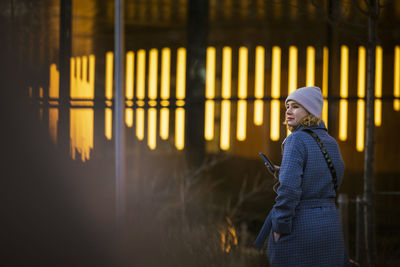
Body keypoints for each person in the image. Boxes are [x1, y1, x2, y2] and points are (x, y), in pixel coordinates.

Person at [254, 86, 351, 266]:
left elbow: (289, 189)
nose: (288, 111)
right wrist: (284, 170)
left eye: (296, 106)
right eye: (287, 106)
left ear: (310, 111)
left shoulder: (296, 139)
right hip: (330, 224)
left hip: (301, 226)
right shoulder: (331, 142)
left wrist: (280, 226)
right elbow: (331, 176)